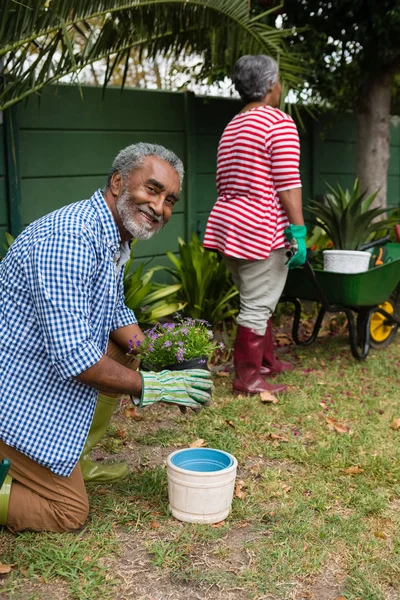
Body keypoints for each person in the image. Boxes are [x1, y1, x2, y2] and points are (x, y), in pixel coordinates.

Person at [0, 143, 212, 533]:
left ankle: (71, 457)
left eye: (170, 200)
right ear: (117, 181)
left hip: (34, 367)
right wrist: (156, 385)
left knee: (126, 352)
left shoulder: (113, 236)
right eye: (152, 189)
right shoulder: (70, 237)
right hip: (11, 395)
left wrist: (159, 357)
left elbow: (113, 311)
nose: (160, 207)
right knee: (67, 512)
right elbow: (74, 357)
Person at [203, 55, 307, 396]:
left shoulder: (234, 125)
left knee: (256, 296)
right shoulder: (278, 123)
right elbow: (288, 184)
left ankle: (266, 362)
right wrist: (299, 231)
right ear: (271, 85)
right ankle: (246, 378)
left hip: (229, 227)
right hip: (261, 229)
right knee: (258, 303)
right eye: (278, 81)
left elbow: (223, 180)